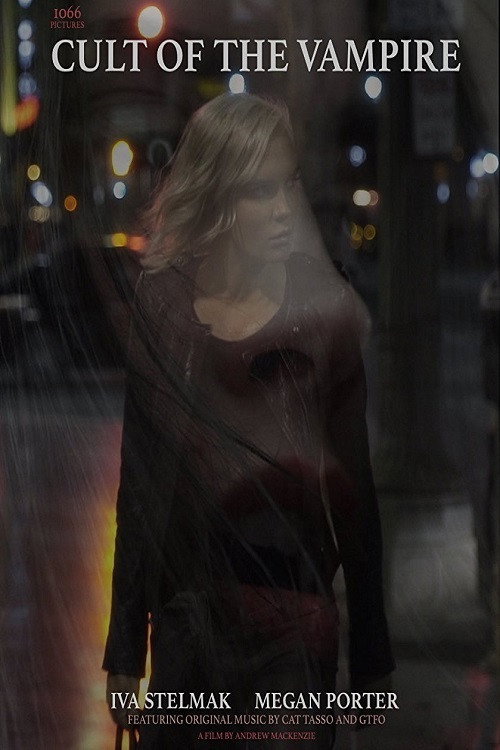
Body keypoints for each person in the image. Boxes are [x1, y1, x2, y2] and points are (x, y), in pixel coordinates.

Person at [103, 93, 394, 749]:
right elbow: (141, 486)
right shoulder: (165, 305)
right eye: (262, 190)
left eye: (289, 183)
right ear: (218, 196)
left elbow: (356, 490)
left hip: (290, 628)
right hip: (186, 624)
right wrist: (124, 649)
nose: (286, 206)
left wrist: (371, 649)